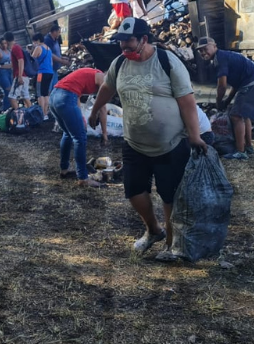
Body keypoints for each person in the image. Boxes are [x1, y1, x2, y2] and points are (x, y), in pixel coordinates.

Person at [88, 18, 207, 259]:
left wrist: (195, 136)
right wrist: (93, 111)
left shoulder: (167, 62)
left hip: (170, 143)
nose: (123, 47)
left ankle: (172, 245)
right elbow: (107, 88)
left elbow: (187, 102)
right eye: (120, 42)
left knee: (169, 195)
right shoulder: (120, 63)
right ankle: (153, 230)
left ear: (144, 39)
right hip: (134, 142)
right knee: (133, 192)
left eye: (128, 41)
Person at [195, 36, 254, 159]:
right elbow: (235, 85)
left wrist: (218, 102)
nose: (202, 52)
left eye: (205, 49)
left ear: (214, 46)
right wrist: (227, 101)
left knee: (236, 116)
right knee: (244, 115)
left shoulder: (220, 59)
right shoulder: (224, 56)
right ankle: (248, 147)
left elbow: (222, 86)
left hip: (252, 82)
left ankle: (240, 151)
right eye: (200, 51)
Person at [50, 68, 108, 188]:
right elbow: (102, 107)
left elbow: (76, 94)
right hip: (66, 97)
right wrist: (104, 133)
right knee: (80, 137)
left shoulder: (89, 74)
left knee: (67, 133)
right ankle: (83, 178)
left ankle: (64, 169)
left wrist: (81, 118)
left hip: (54, 96)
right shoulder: (101, 76)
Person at [4, 31, 32, 110]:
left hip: (20, 76)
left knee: (11, 97)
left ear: (6, 41)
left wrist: (19, 76)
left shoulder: (15, 48)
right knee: (25, 97)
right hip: (24, 76)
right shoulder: (16, 47)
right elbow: (16, 63)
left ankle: (18, 117)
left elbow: (21, 61)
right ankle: (32, 115)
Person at [31, 33, 55, 120]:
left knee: (40, 94)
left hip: (41, 73)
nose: (33, 43)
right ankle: (46, 114)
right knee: (46, 93)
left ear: (37, 40)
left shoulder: (38, 48)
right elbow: (51, 63)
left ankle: (42, 113)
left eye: (34, 41)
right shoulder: (49, 49)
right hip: (50, 72)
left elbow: (32, 59)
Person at [44, 24, 67, 88]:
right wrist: (61, 61)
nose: (59, 34)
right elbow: (50, 54)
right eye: (59, 32)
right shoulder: (47, 40)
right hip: (50, 68)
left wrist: (61, 57)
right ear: (54, 32)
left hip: (55, 68)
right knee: (50, 86)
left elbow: (56, 52)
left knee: (55, 86)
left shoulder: (55, 39)